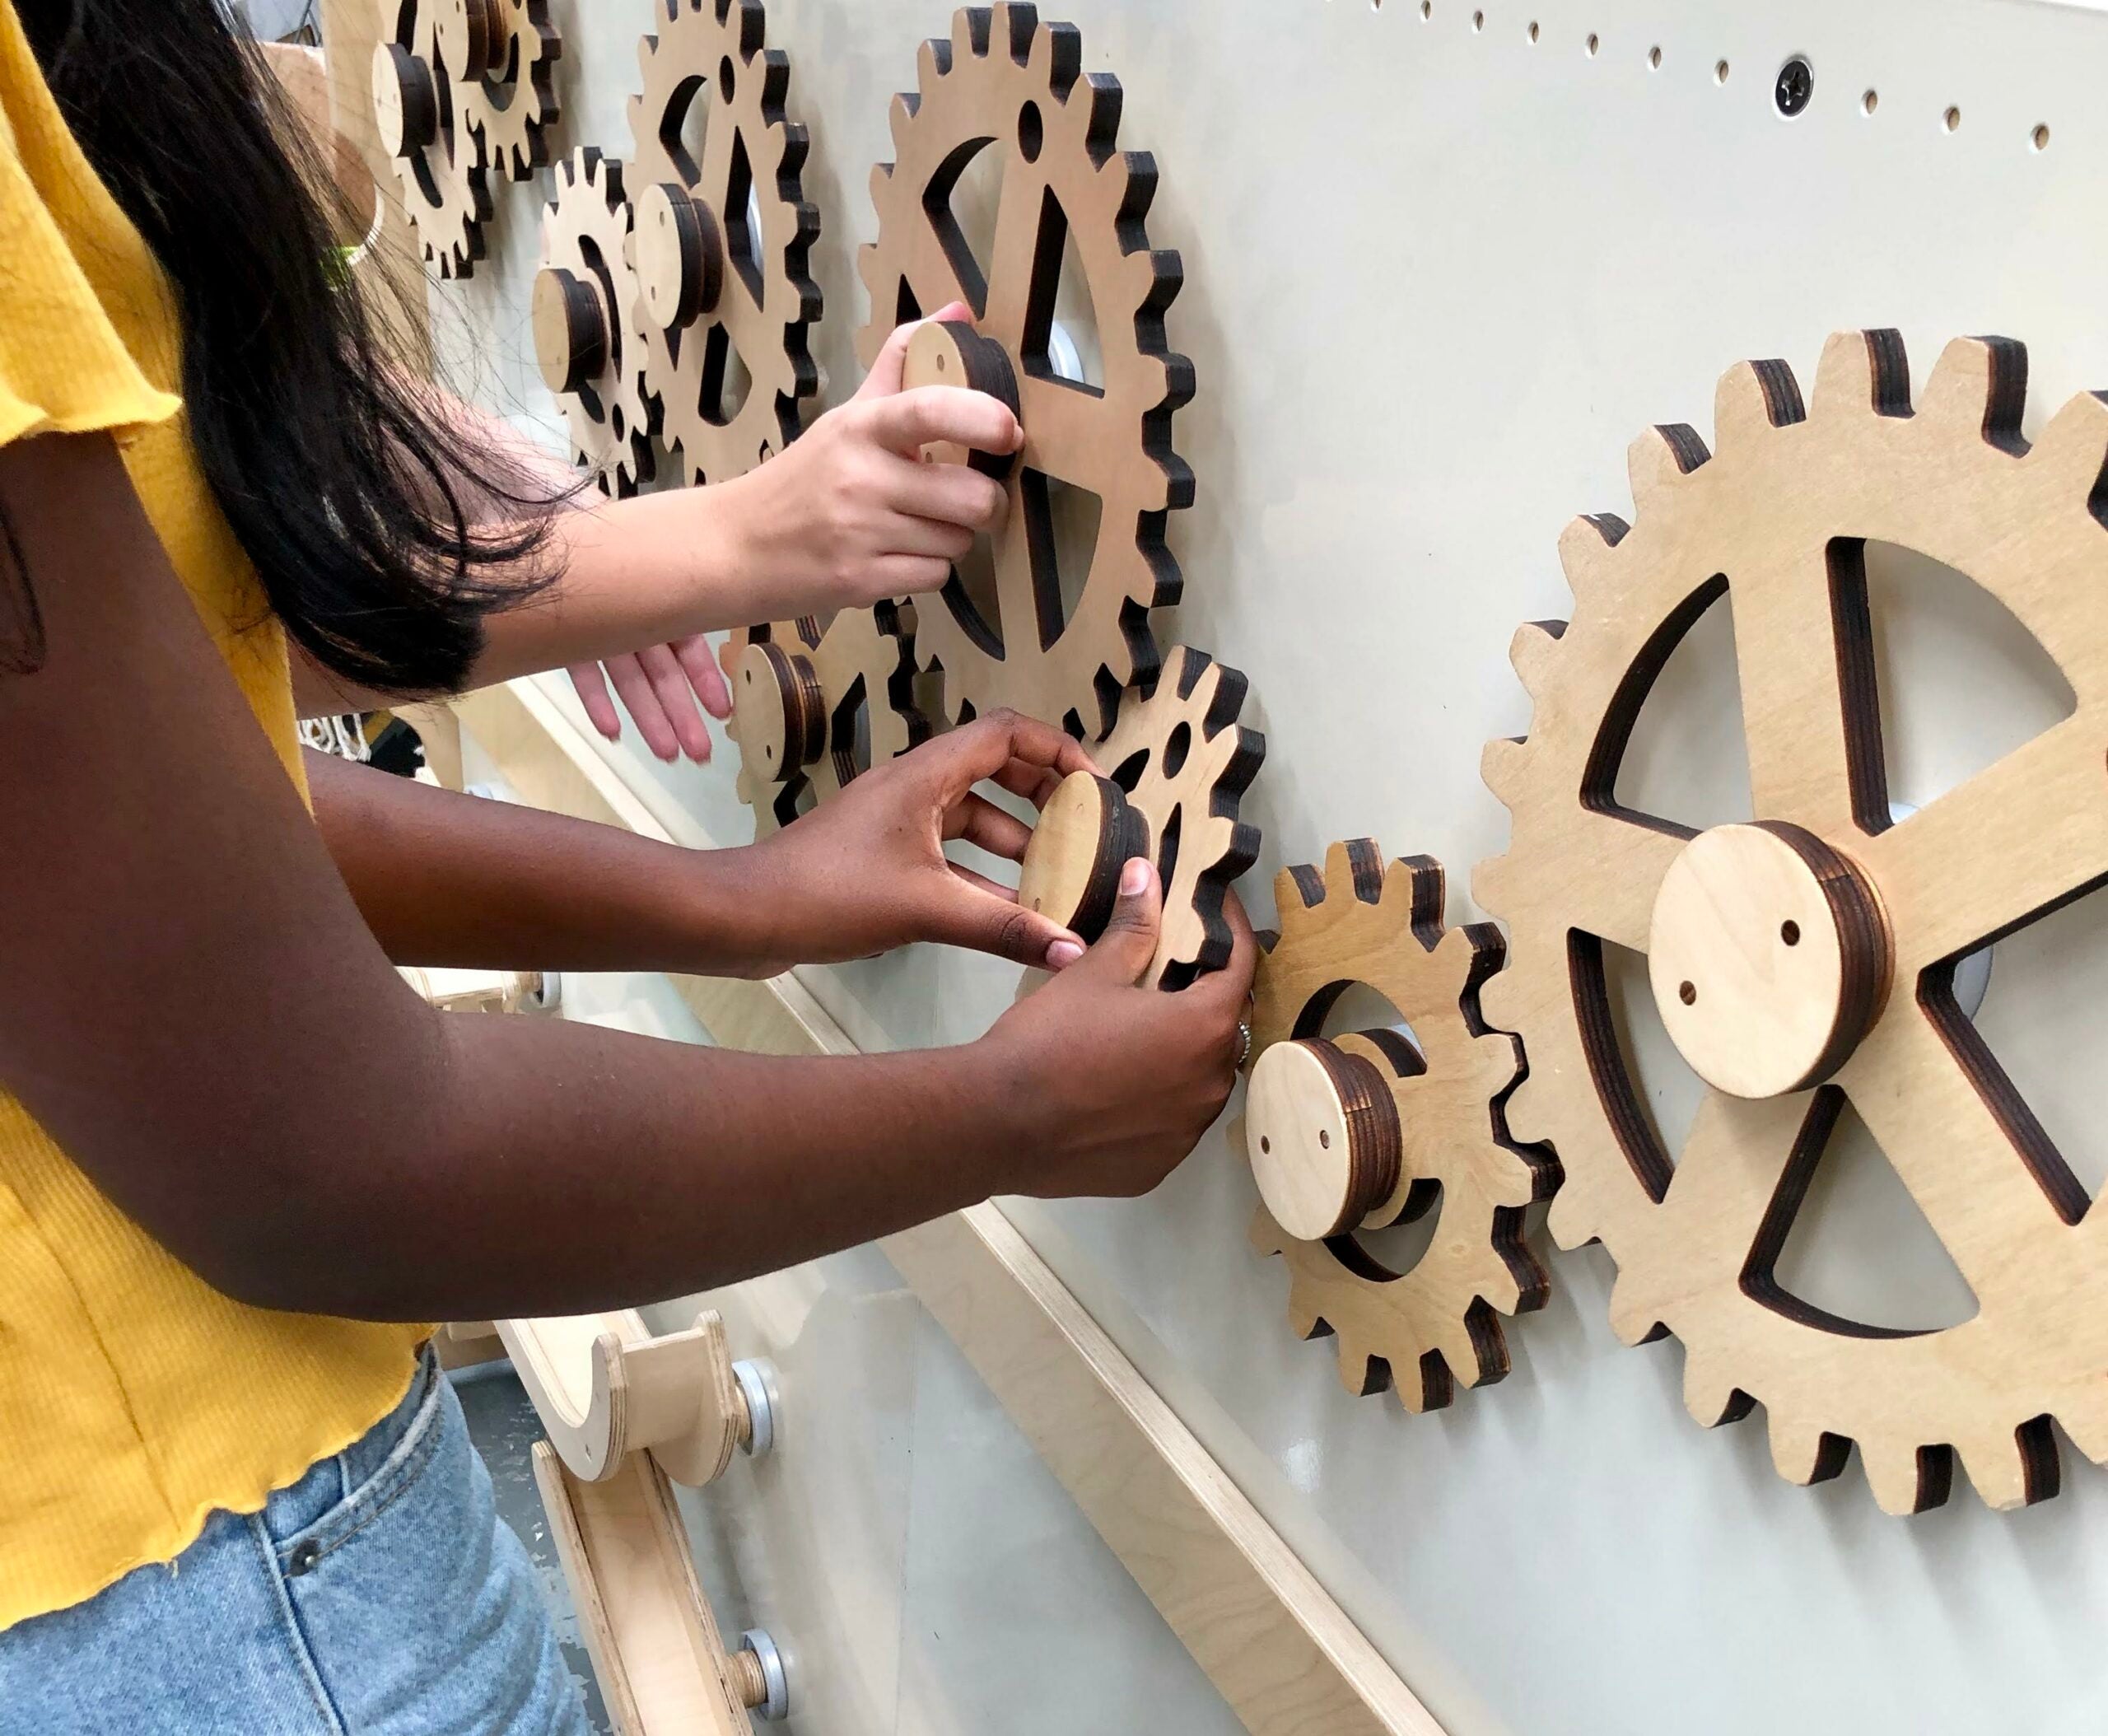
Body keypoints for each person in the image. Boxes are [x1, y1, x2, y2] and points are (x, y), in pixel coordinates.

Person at [0, 2, 1255, 1729]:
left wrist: (742, 901)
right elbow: (324, 1152)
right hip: (209, 1613)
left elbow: (158, 850)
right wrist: (1008, 1112)